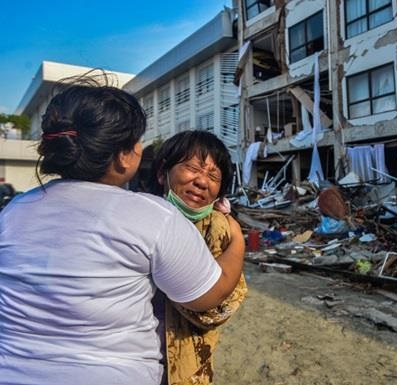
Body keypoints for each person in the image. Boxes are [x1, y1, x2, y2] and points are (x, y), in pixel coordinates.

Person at [0, 80, 244, 385]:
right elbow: (208, 295)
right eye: (136, 140)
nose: (201, 182)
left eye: (212, 175)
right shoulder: (152, 215)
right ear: (123, 156)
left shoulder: (13, 211)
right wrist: (238, 244)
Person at [149, 130, 247, 385]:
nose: (202, 182)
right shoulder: (140, 218)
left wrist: (237, 239)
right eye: (192, 168)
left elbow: (214, 310)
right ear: (163, 172)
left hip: (185, 367)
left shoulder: (219, 229)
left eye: (213, 176)